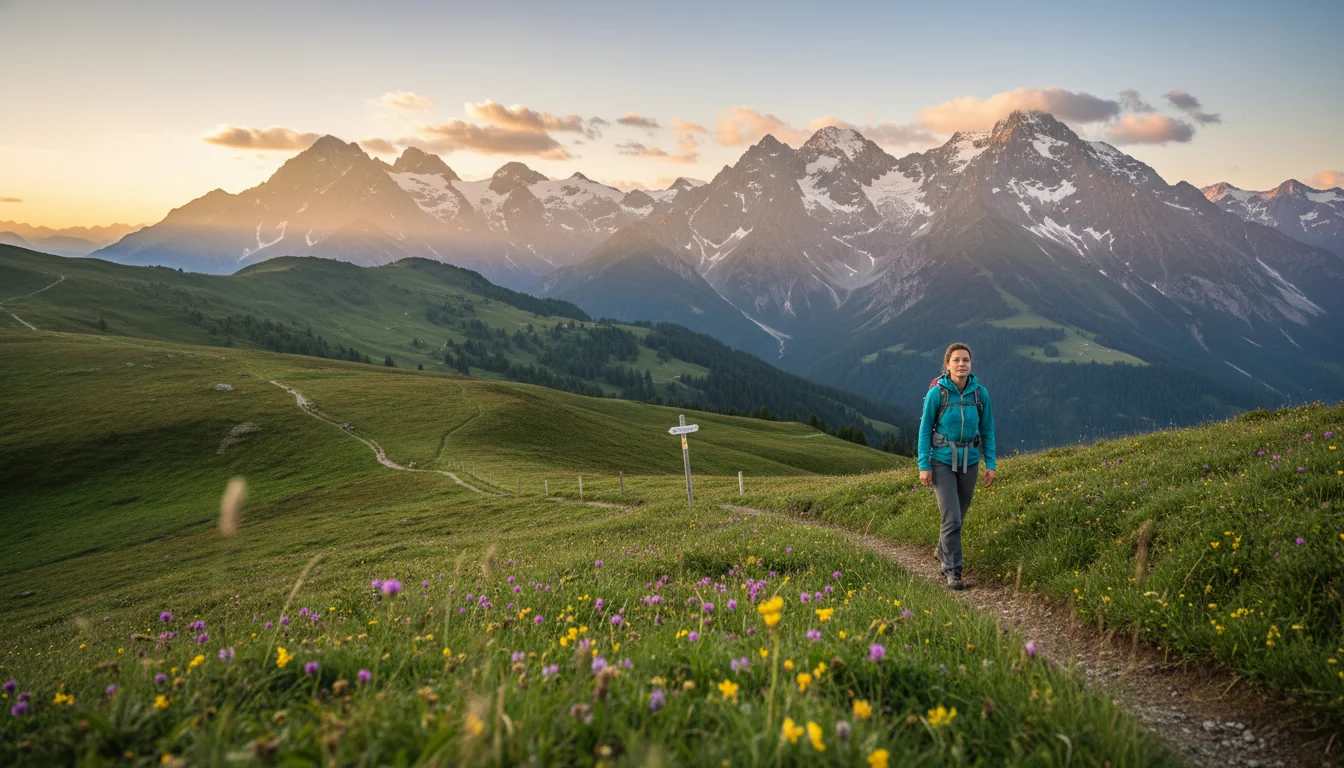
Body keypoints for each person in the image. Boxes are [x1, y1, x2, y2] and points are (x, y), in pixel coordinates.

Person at [918, 343, 996, 590]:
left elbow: (988, 430)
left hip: (970, 461)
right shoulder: (937, 394)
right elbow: (924, 431)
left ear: (970, 364)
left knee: (959, 516)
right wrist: (924, 464)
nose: (961, 364)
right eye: (956, 360)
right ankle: (953, 570)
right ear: (947, 364)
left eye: (966, 360)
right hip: (941, 461)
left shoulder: (979, 394)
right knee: (951, 516)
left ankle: (942, 548)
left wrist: (990, 463)